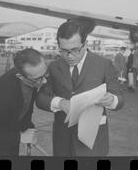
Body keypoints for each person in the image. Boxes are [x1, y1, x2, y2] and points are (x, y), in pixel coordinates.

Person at [36, 18, 124, 156]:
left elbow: (120, 100)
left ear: (85, 44)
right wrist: (60, 103)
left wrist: (111, 100)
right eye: (64, 51)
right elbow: (41, 99)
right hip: (63, 139)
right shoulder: (54, 67)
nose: (69, 56)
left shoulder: (104, 64)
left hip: (93, 141)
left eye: (75, 50)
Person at [0, 49, 48, 155]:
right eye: (39, 78)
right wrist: (20, 137)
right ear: (20, 76)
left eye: (45, 73)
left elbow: (26, 109)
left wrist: (28, 128)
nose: (45, 81)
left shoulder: (32, 78)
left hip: (10, 144)